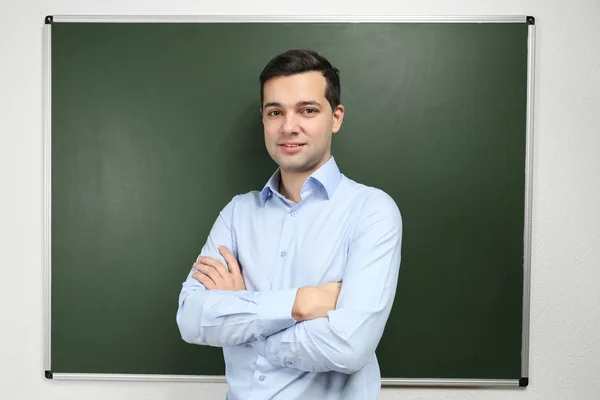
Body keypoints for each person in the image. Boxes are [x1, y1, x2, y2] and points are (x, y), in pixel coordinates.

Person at [176, 49, 403, 400]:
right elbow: (191, 319)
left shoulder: (371, 211)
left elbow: (348, 346)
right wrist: (301, 303)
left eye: (307, 110)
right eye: (275, 112)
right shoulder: (237, 214)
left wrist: (244, 314)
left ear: (336, 117)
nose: (288, 126)